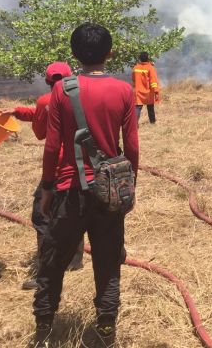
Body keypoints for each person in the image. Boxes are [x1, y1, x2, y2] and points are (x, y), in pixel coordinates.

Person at [33, 23, 139, 347]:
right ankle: (106, 328)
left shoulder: (61, 91)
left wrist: (47, 188)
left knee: (52, 261)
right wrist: (128, 185)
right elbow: (131, 147)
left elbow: (52, 147)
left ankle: (43, 329)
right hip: (109, 193)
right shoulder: (123, 90)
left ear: (75, 54)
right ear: (110, 53)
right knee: (108, 263)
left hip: (68, 192)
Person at [1, 62, 83, 291]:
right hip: (84, 167)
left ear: (48, 82)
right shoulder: (84, 96)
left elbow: (41, 132)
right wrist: (18, 112)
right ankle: (75, 261)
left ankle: (47, 270)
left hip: (58, 170)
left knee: (43, 216)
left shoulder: (46, 101)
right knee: (75, 212)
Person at [132, 51, 160, 124]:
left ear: (139, 59)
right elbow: (153, 81)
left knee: (138, 108)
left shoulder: (135, 68)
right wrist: (156, 91)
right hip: (148, 92)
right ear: (148, 58)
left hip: (138, 91)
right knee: (150, 107)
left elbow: (133, 79)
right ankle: (152, 122)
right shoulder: (151, 68)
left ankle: (134, 124)